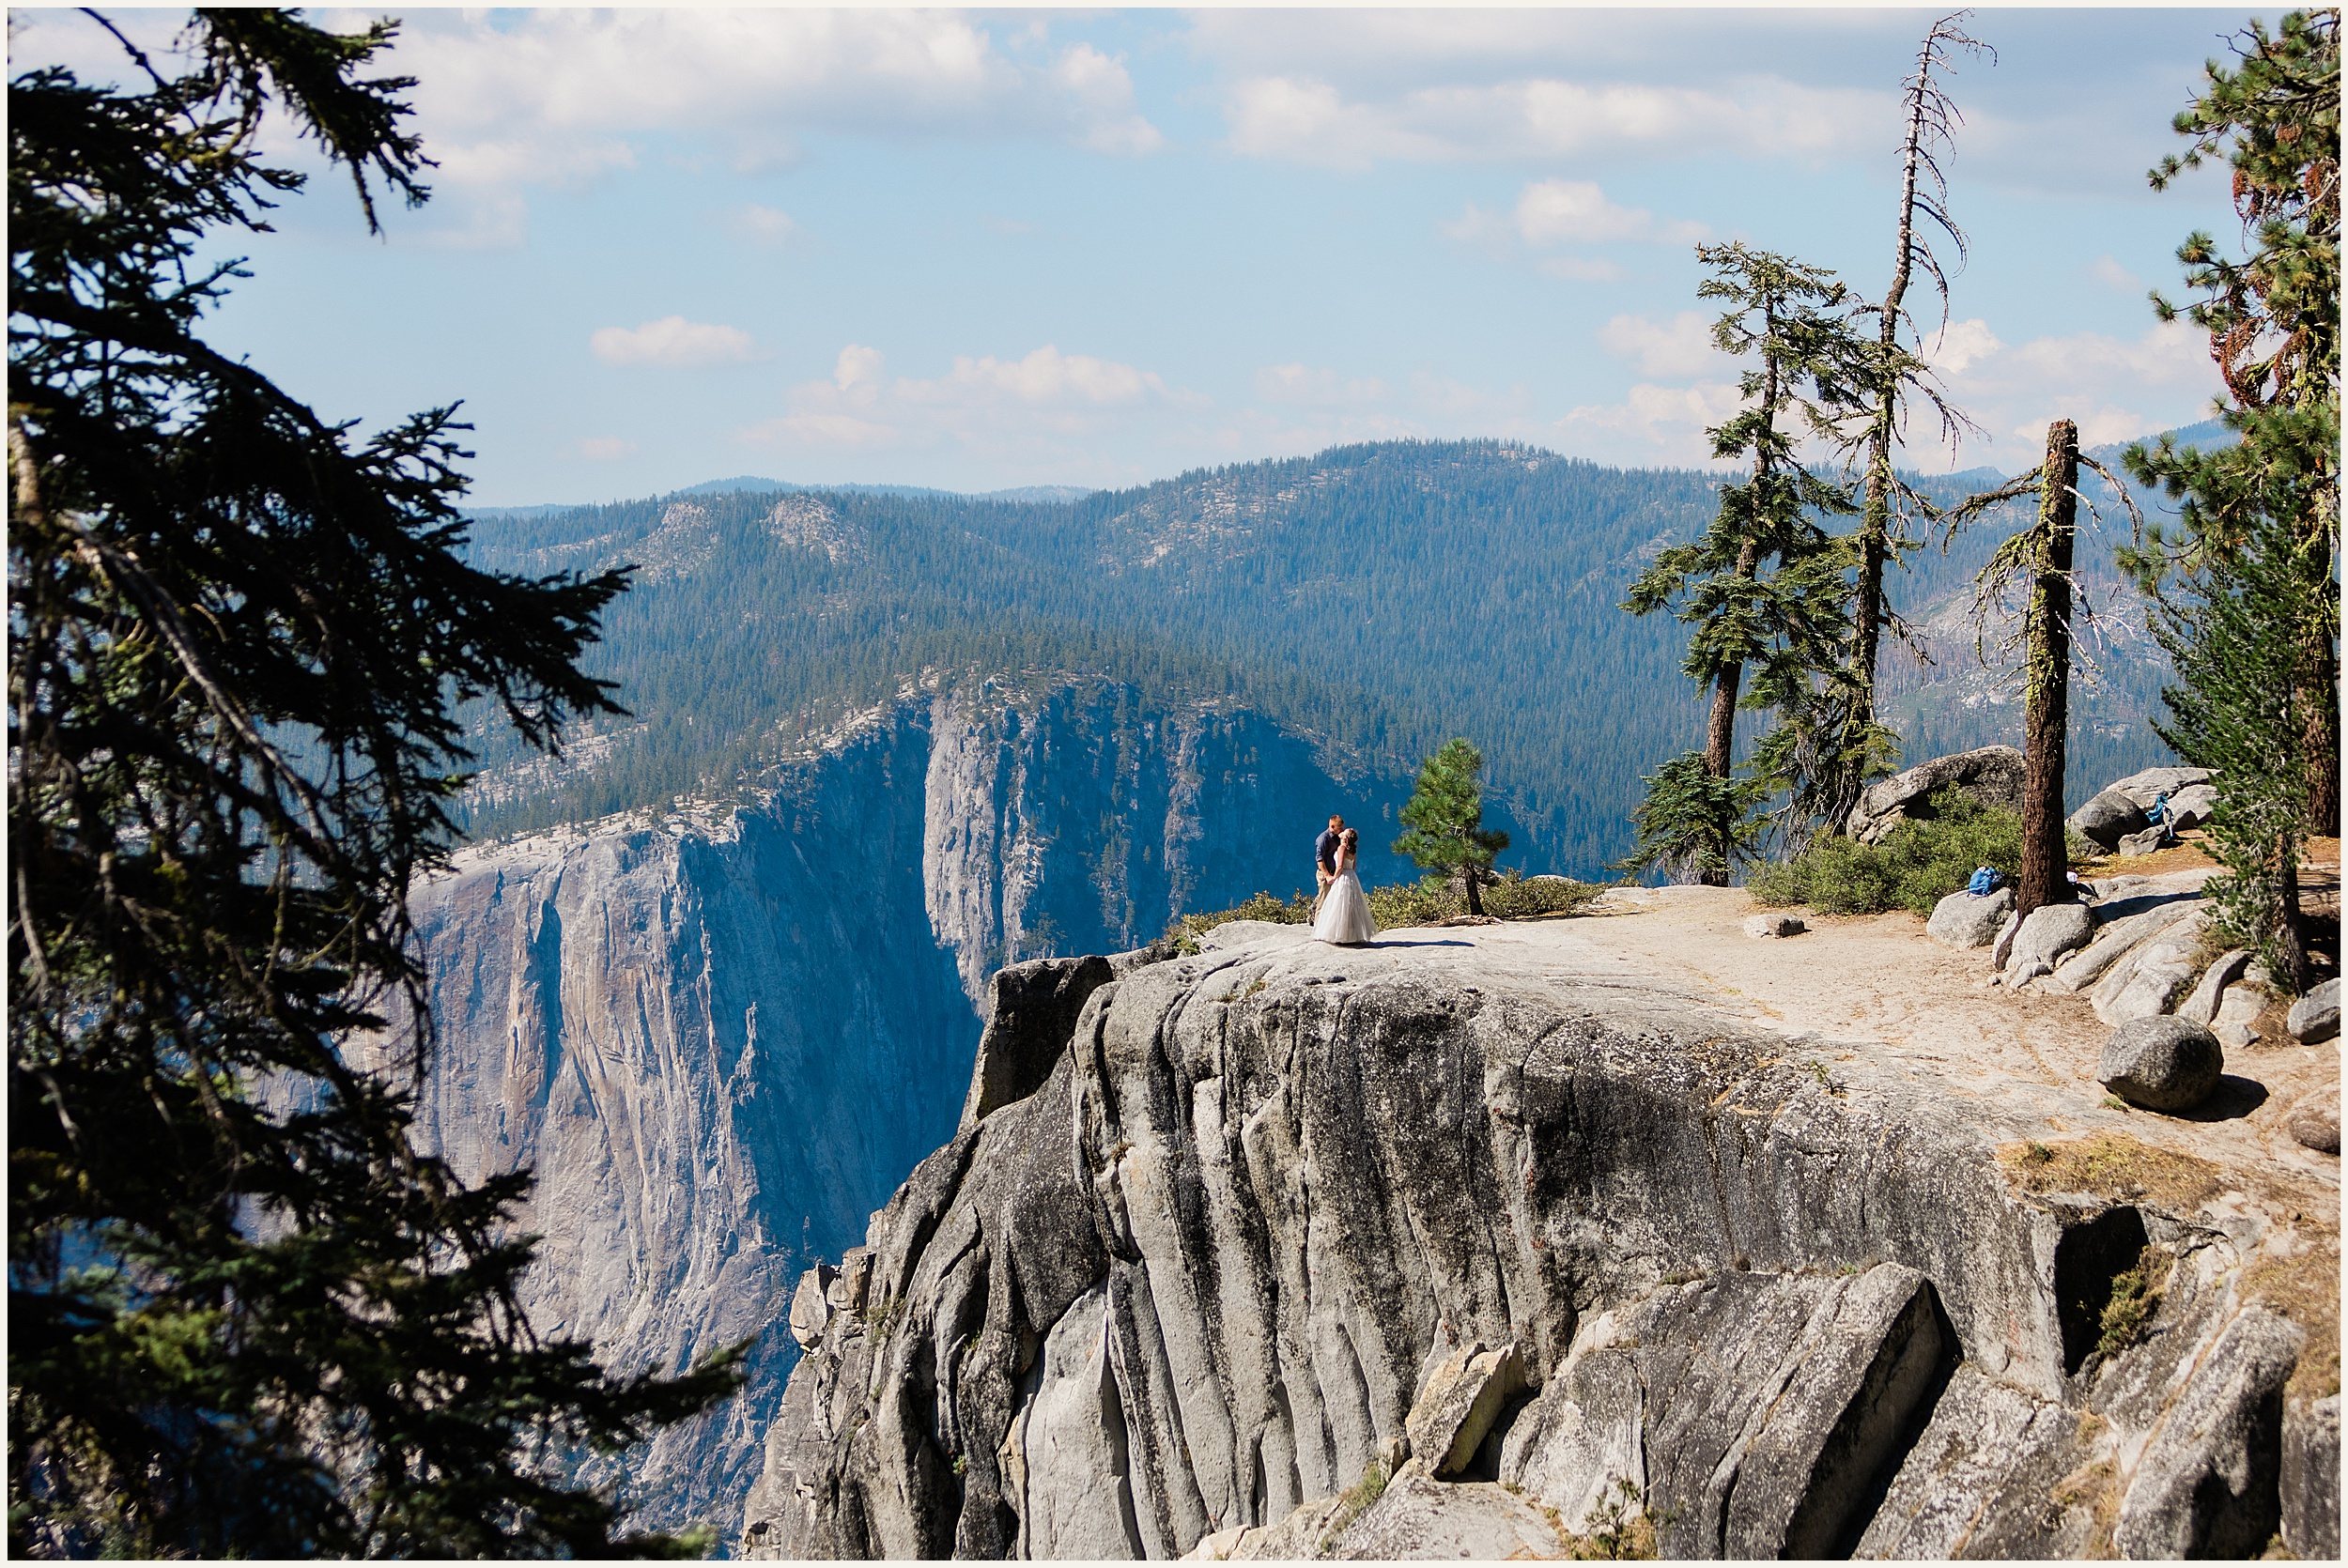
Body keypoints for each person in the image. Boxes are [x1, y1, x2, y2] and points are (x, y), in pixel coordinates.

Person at [1313, 828, 1378, 945]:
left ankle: (1338, 934)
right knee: (1351, 906)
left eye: (1345, 831)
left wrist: (1334, 878)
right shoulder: (1353, 850)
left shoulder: (1341, 848)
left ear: (1345, 837)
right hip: (1351, 876)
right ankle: (1352, 934)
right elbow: (1353, 866)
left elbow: (1340, 866)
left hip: (1343, 876)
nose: (1342, 831)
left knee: (1339, 904)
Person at [1314, 814, 1345, 909]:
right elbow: (1319, 859)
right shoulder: (1323, 839)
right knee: (1322, 901)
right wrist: (1327, 875)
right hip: (1324, 874)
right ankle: (1318, 921)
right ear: (1332, 826)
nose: (1341, 830)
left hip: (1333, 873)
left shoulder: (1336, 837)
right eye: (1339, 828)